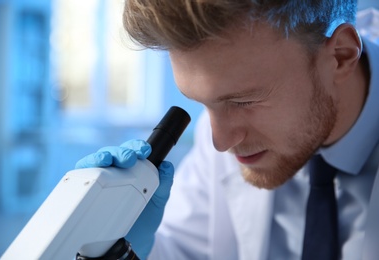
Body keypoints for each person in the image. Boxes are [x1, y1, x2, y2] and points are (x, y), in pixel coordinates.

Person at [75, 1, 379, 259]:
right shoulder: (228, 133)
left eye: (244, 101)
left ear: (340, 57)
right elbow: (182, 249)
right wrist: (122, 247)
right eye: (203, 104)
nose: (219, 142)